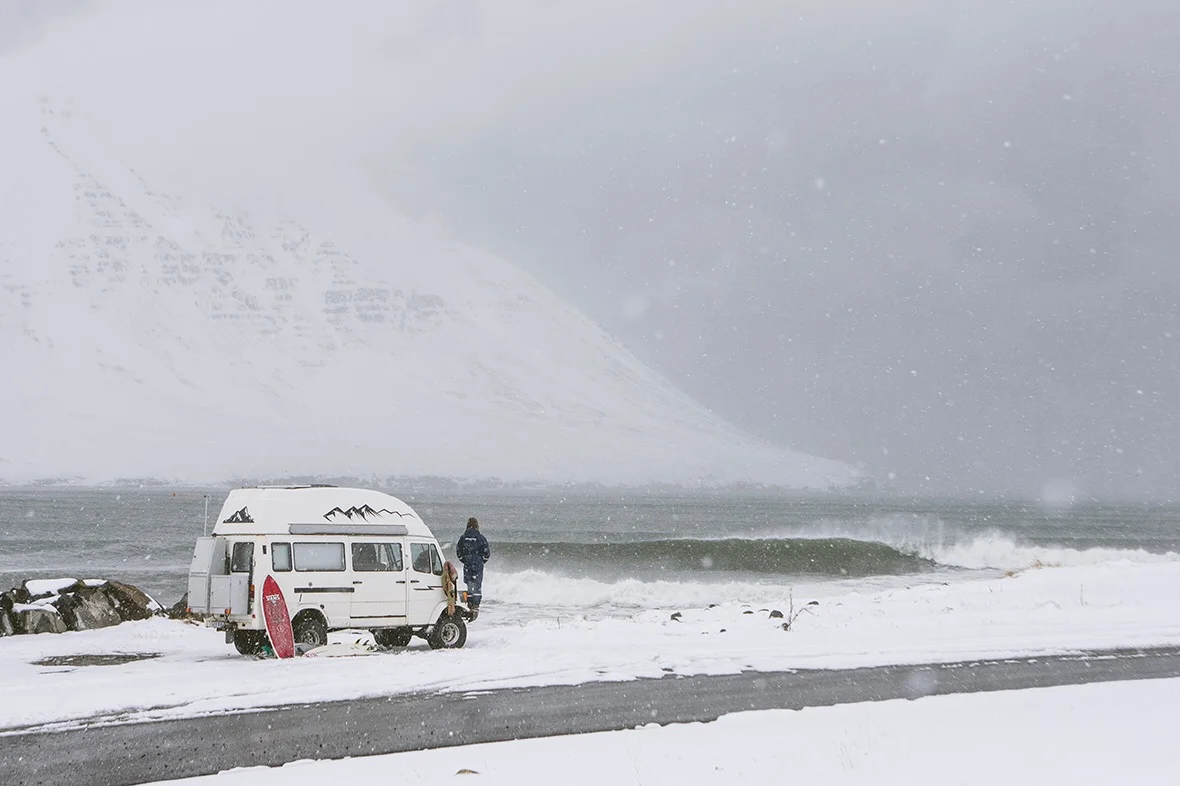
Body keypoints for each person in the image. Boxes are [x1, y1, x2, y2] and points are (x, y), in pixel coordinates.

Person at [455, 516, 490, 617]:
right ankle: (476, 605)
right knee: (477, 585)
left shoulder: (463, 537)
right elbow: (486, 552)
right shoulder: (480, 537)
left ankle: (470, 603)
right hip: (477, 563)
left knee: (469, 583)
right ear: (477, 525)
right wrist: (482, 561)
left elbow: (459, 551)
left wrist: (464, 560)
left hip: (468, 563)